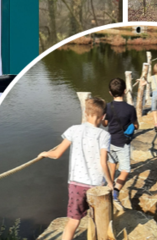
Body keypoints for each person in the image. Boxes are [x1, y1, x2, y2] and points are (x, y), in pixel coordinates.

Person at [39, 97, 113, 240]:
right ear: (103, 116)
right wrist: (110, 182)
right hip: (96, 186)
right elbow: (104, 162)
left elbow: (57, 154)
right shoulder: (104, 135)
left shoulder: (73, 130)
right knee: (99, 219)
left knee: (73, 221)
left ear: (85, 113)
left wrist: (45, 153)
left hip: (76, 184)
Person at [103, 78, 139, 200]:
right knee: (125, 170)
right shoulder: (130, 109)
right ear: (125, 91)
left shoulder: (107, 107)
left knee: (112, 164)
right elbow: (136, 125)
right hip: (122, 143)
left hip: (109, 142)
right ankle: (116, 191)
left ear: (110, 93)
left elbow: (105, 123)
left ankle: (109, 186)